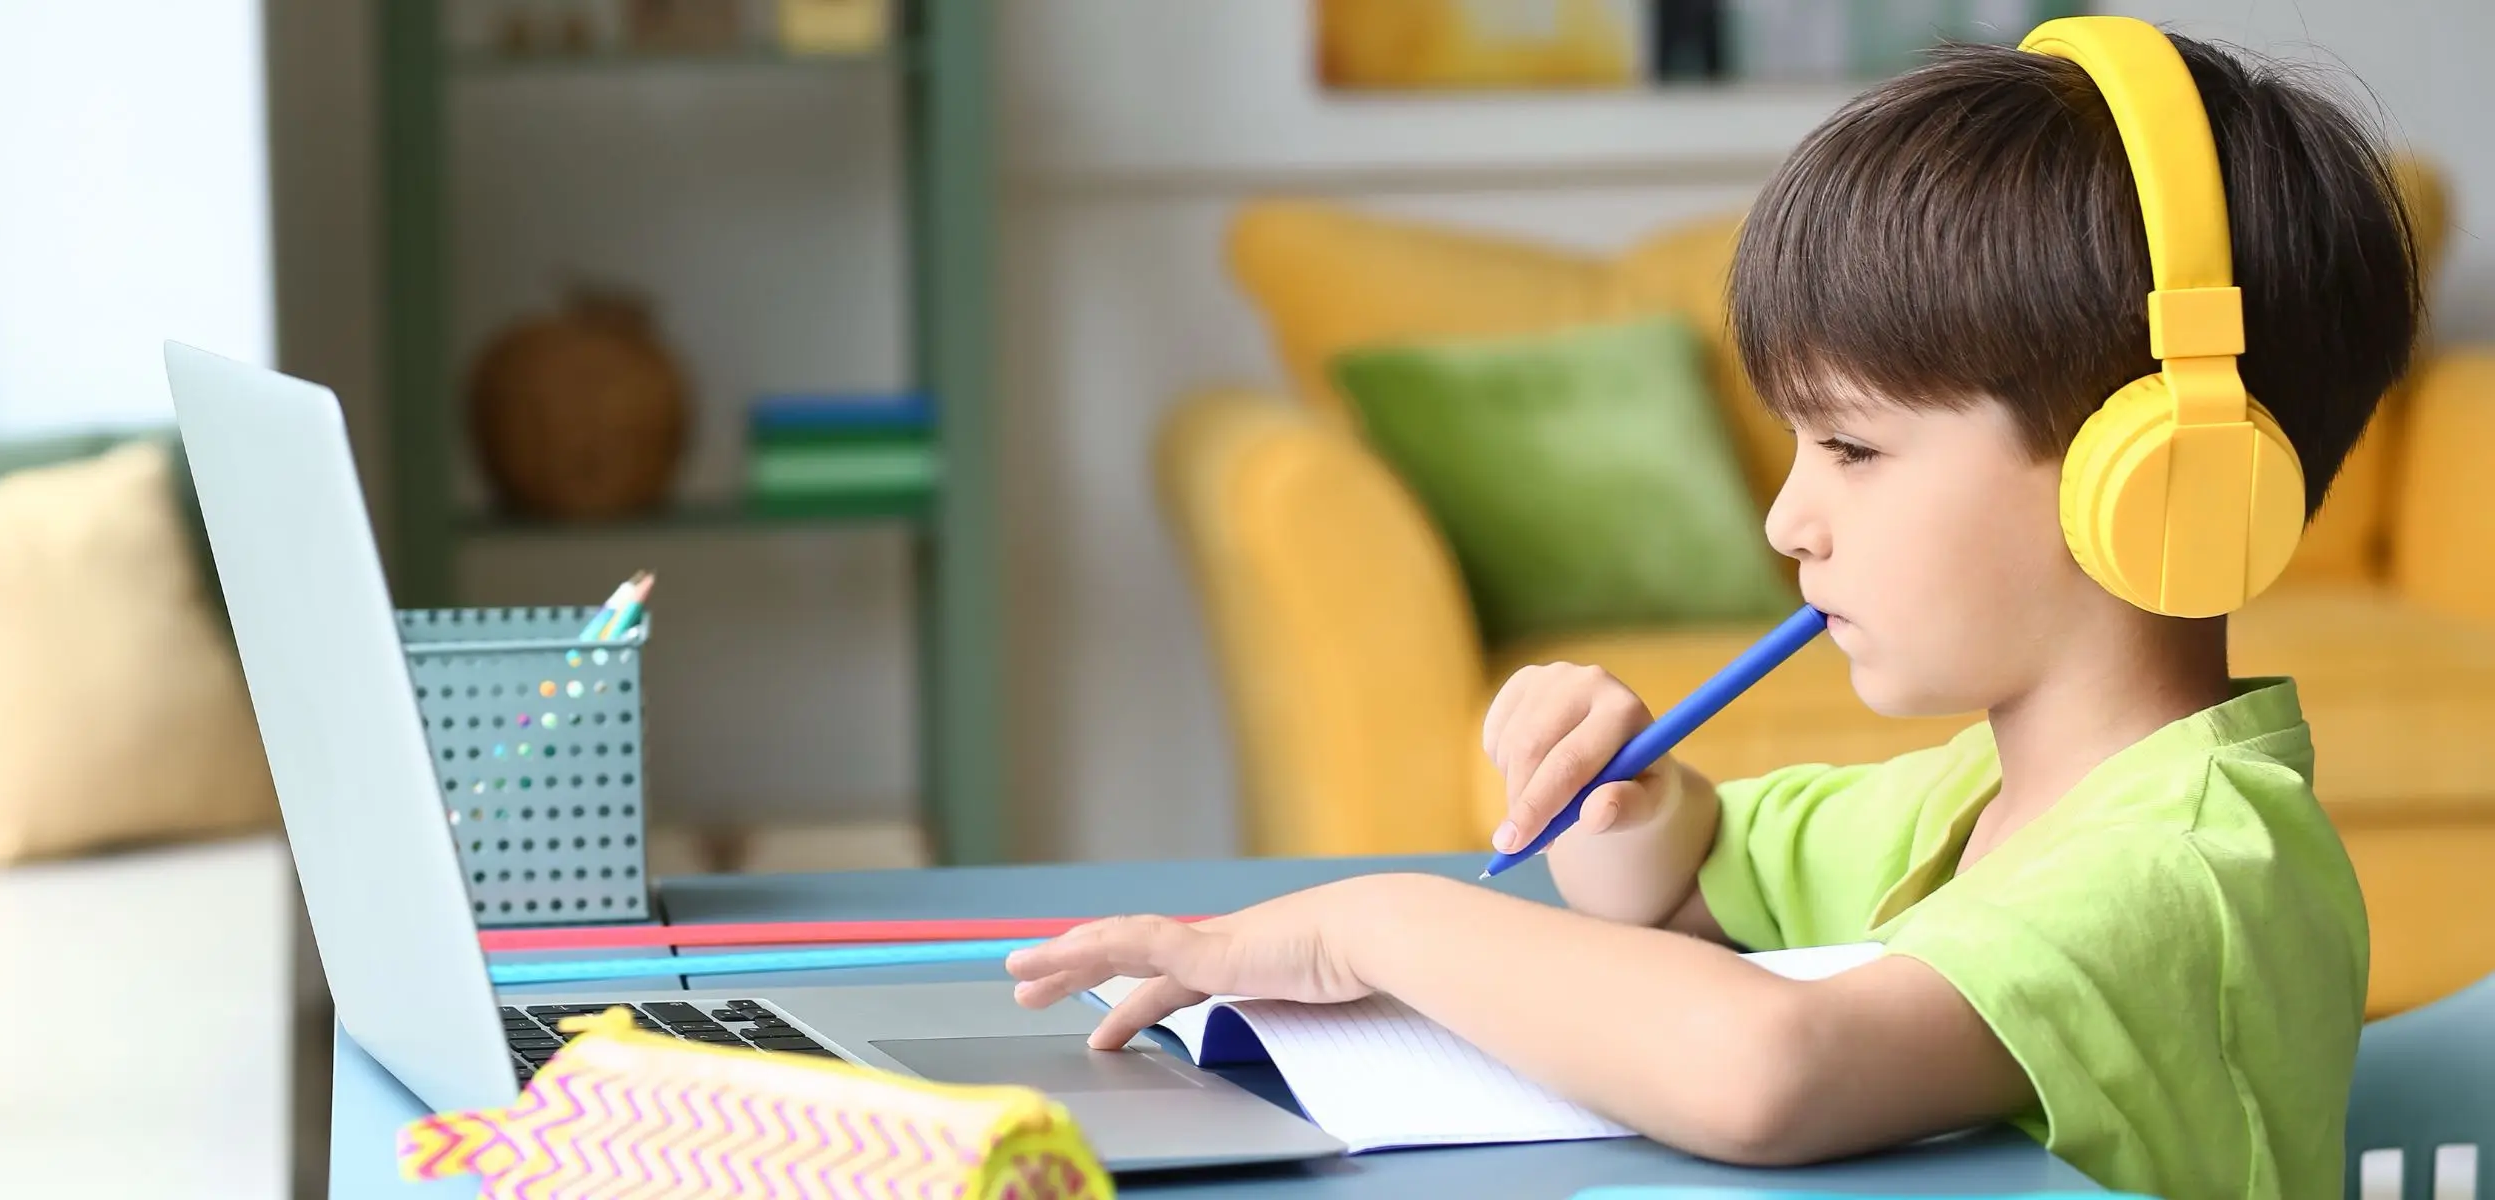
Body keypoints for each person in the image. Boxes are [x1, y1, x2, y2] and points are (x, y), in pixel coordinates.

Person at [1005, 17, 2420, 1198]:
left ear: (2157, 478)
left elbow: (1766, 1072)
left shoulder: (2192, 871)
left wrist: (1372, 925)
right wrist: (1628, 799)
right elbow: (1690, 894)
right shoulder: (1976, 795)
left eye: (1853, 450)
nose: (1785, 519)